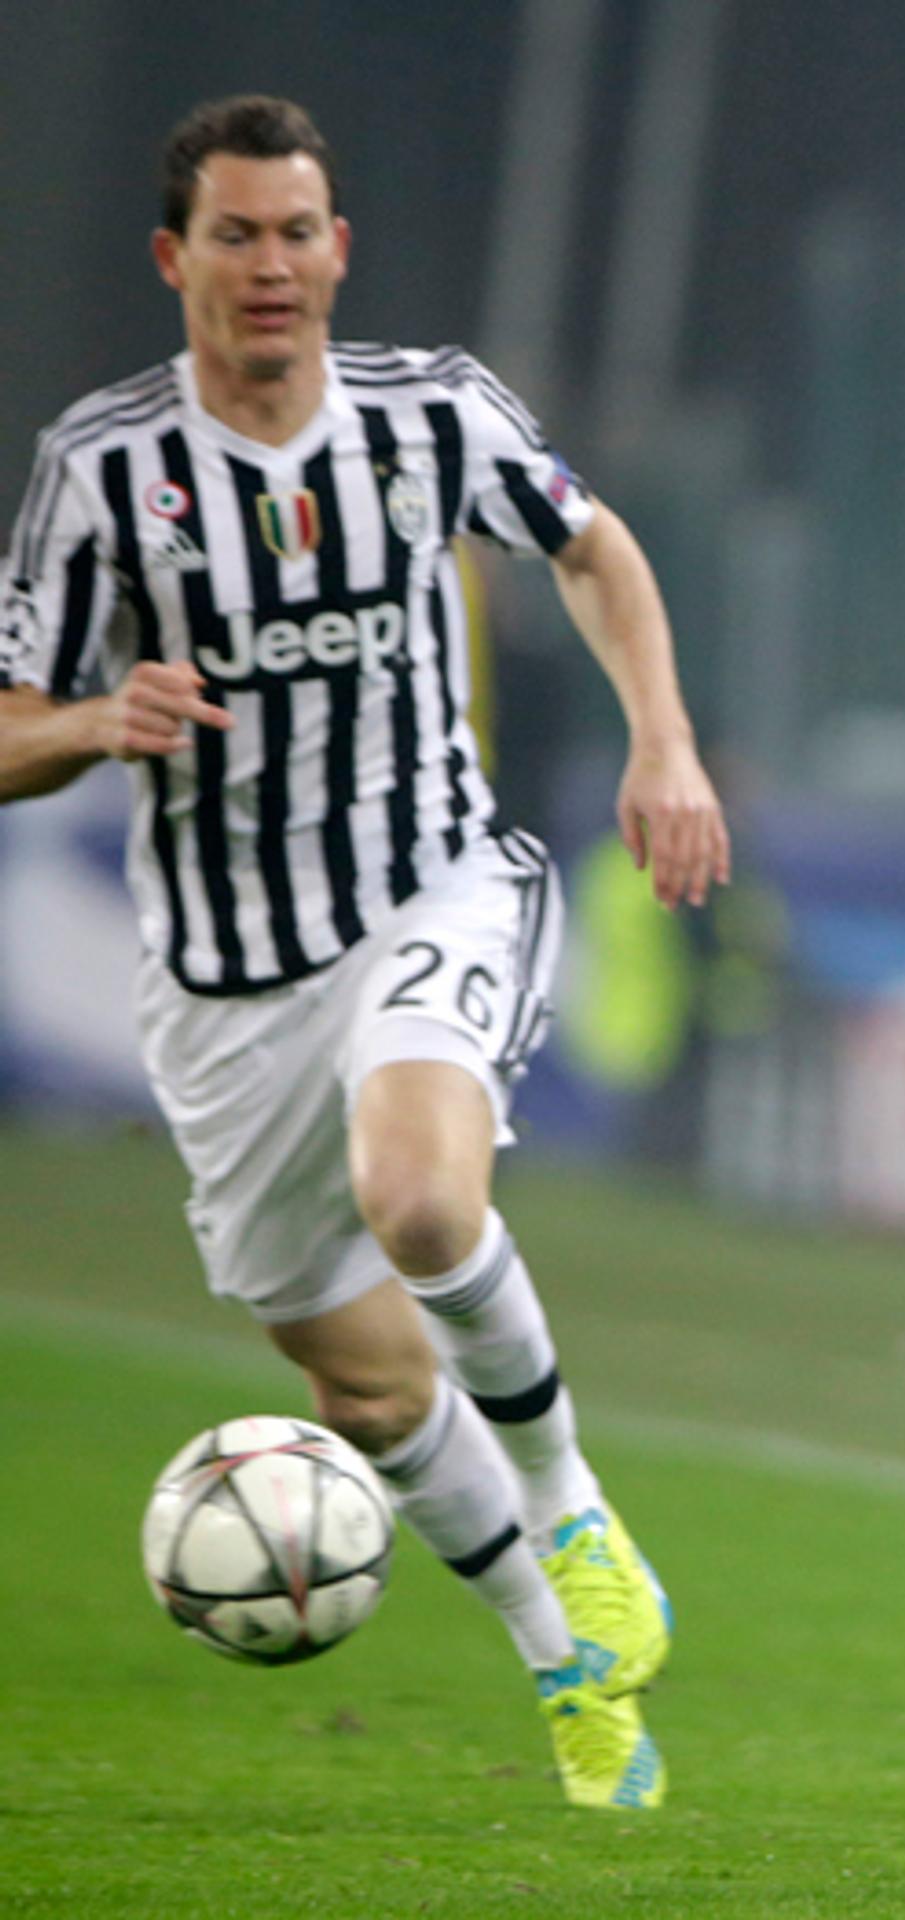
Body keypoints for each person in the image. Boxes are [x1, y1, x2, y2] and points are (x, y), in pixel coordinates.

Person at [0, 97, 729, 1810]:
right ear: (178, 260)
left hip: (434, 884)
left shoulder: (433, 414)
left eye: (299, 232)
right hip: (223, 985)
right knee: (372, 1382)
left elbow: (597, 550)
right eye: (238, 236)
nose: (274, 267)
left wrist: (664, 741)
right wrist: (104, 719)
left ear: (340, 248)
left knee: (420, 1198)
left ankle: (580, 1515)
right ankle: (565, 1658)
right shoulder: (101, 470)